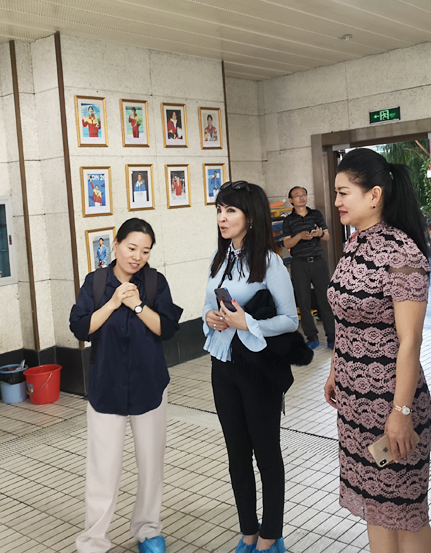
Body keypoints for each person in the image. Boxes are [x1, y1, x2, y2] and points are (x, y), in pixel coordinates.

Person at [324, 148, 431, 553]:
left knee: (405, 514)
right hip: (355, 406)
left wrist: (401, 412)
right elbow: (346, 317)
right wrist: (336, 370)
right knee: (376, 508)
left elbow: (410, 341)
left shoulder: (401, 254)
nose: (336, 201)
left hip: (390, 405)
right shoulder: (354, 244)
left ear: (374, 195)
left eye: (343, 192)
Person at [70, 218, 183, 553]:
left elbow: (166, 328)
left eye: (145, 251)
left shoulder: (154, 282)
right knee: (102, 469)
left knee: (151, 464)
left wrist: (137, 305)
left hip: (150, 384)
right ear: (116, 244)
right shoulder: (95, 282)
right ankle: (93, 541)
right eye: (132, 248)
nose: (137, 257)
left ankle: (148, 530)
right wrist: (113, 302)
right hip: (106, 386)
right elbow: (80, 328)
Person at [203, 181, 298, 553]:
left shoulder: (270, 262)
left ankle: (271, 536)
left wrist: (249, 324)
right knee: (236, 454)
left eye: (231, 210)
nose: (222, 218)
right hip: (222, 364)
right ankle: (248, 532)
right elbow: (208, 306)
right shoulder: (220, 257)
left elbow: (290, 320)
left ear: (251, 217)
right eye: (219, 210)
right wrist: (210, 317)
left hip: (257, 368)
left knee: (266, 453)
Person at [282, 186, 336, 350]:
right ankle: (311, 336)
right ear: (291, 200)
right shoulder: (288, 220)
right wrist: (299, 236)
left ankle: (332, 336)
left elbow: (327, 236)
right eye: (297, 196)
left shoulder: (316, 215)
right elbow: (287, 243)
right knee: (303, 300)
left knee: (325, 299)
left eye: (304, 195)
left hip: (318, 262)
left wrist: (319, 234)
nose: (301, 198)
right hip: (299, 263)